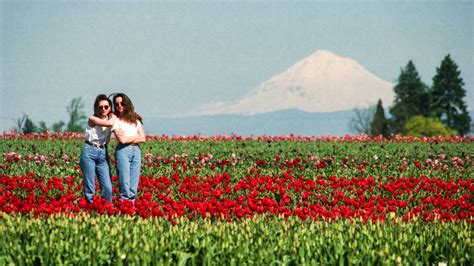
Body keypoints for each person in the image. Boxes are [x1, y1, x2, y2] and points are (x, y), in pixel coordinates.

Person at [80, 94, 116, 203]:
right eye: (100, 107)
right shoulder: (93, 119)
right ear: (96, 108)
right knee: (90, 186)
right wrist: (114, 116)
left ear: (110, 107)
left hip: (103, 152)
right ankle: (91, 211)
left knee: (108, 188)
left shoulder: (112, 119)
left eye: (106, 107)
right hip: (89, 150)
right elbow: (108, 123)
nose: (103, 109)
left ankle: (106, 211)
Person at [112, 93, 146, 202]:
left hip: (136, 151)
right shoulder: (115, 119)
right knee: (124, 183)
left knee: (133, 184)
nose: (119, 106)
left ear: (127, 103)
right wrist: (136, 136)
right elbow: (122, 140)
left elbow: (143, 138)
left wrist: (129, 138)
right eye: (117, 104)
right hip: (123, 151)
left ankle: (131, 208)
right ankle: (123, 208)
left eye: (122, 103)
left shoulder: (135, 119)